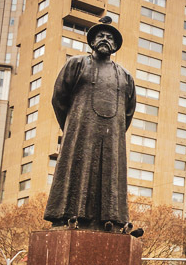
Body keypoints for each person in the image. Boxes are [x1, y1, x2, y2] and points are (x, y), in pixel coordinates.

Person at [44, 16, 136, 231]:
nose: (105, 39)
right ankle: (67, 216)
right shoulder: (76, 63)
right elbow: (59, 98)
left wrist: (115, 131)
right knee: (76, 169)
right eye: (100, 36)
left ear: (115, 45)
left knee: (111, 174)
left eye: (109, 37)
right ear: (92, 41)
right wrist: (71, 125)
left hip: (112, 134)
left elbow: (129, 110)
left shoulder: (125, 75)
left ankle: (110, 220)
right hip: (80, 130)